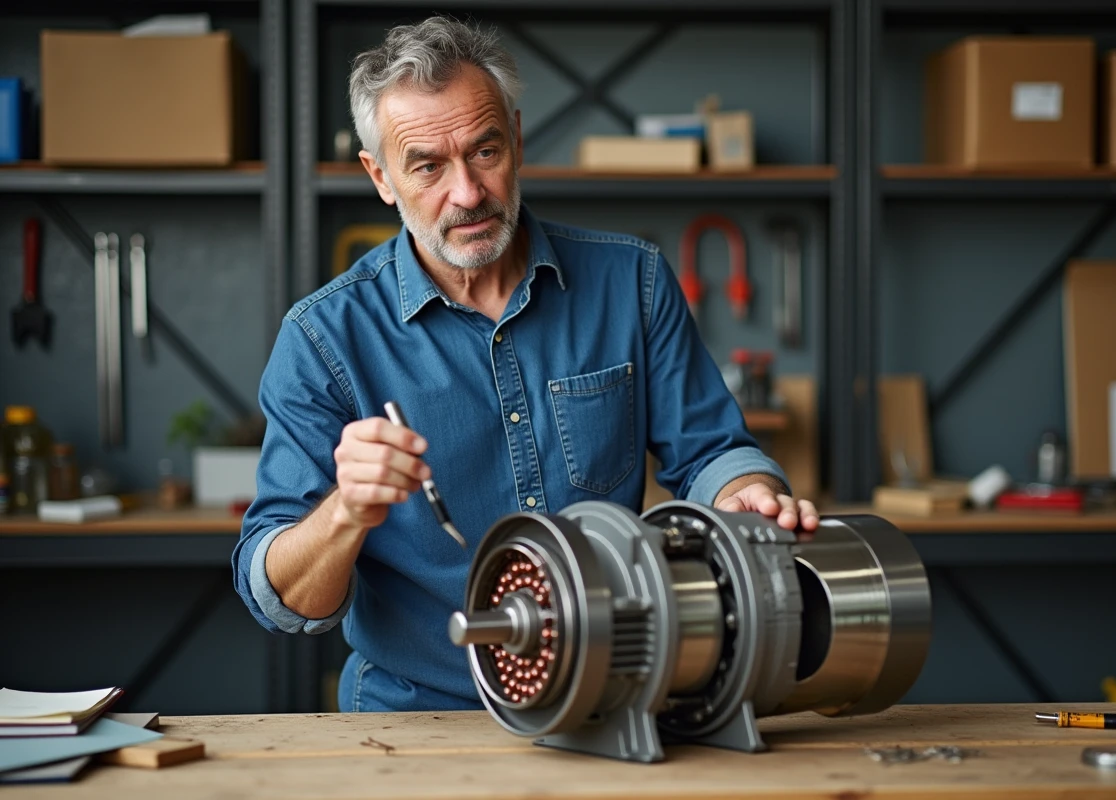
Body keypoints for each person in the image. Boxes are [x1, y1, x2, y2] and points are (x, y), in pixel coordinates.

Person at [233, 16, 819, 713]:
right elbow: (282, 601)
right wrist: (345, 512)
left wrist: (746, 494)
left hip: (611, 700)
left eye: (484, 151)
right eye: (427, 166)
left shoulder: (633, 283)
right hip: (419, 720)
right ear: (381, 177)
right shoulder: (322, 339)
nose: (467, 193)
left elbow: (714, 453)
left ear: (515, 137)